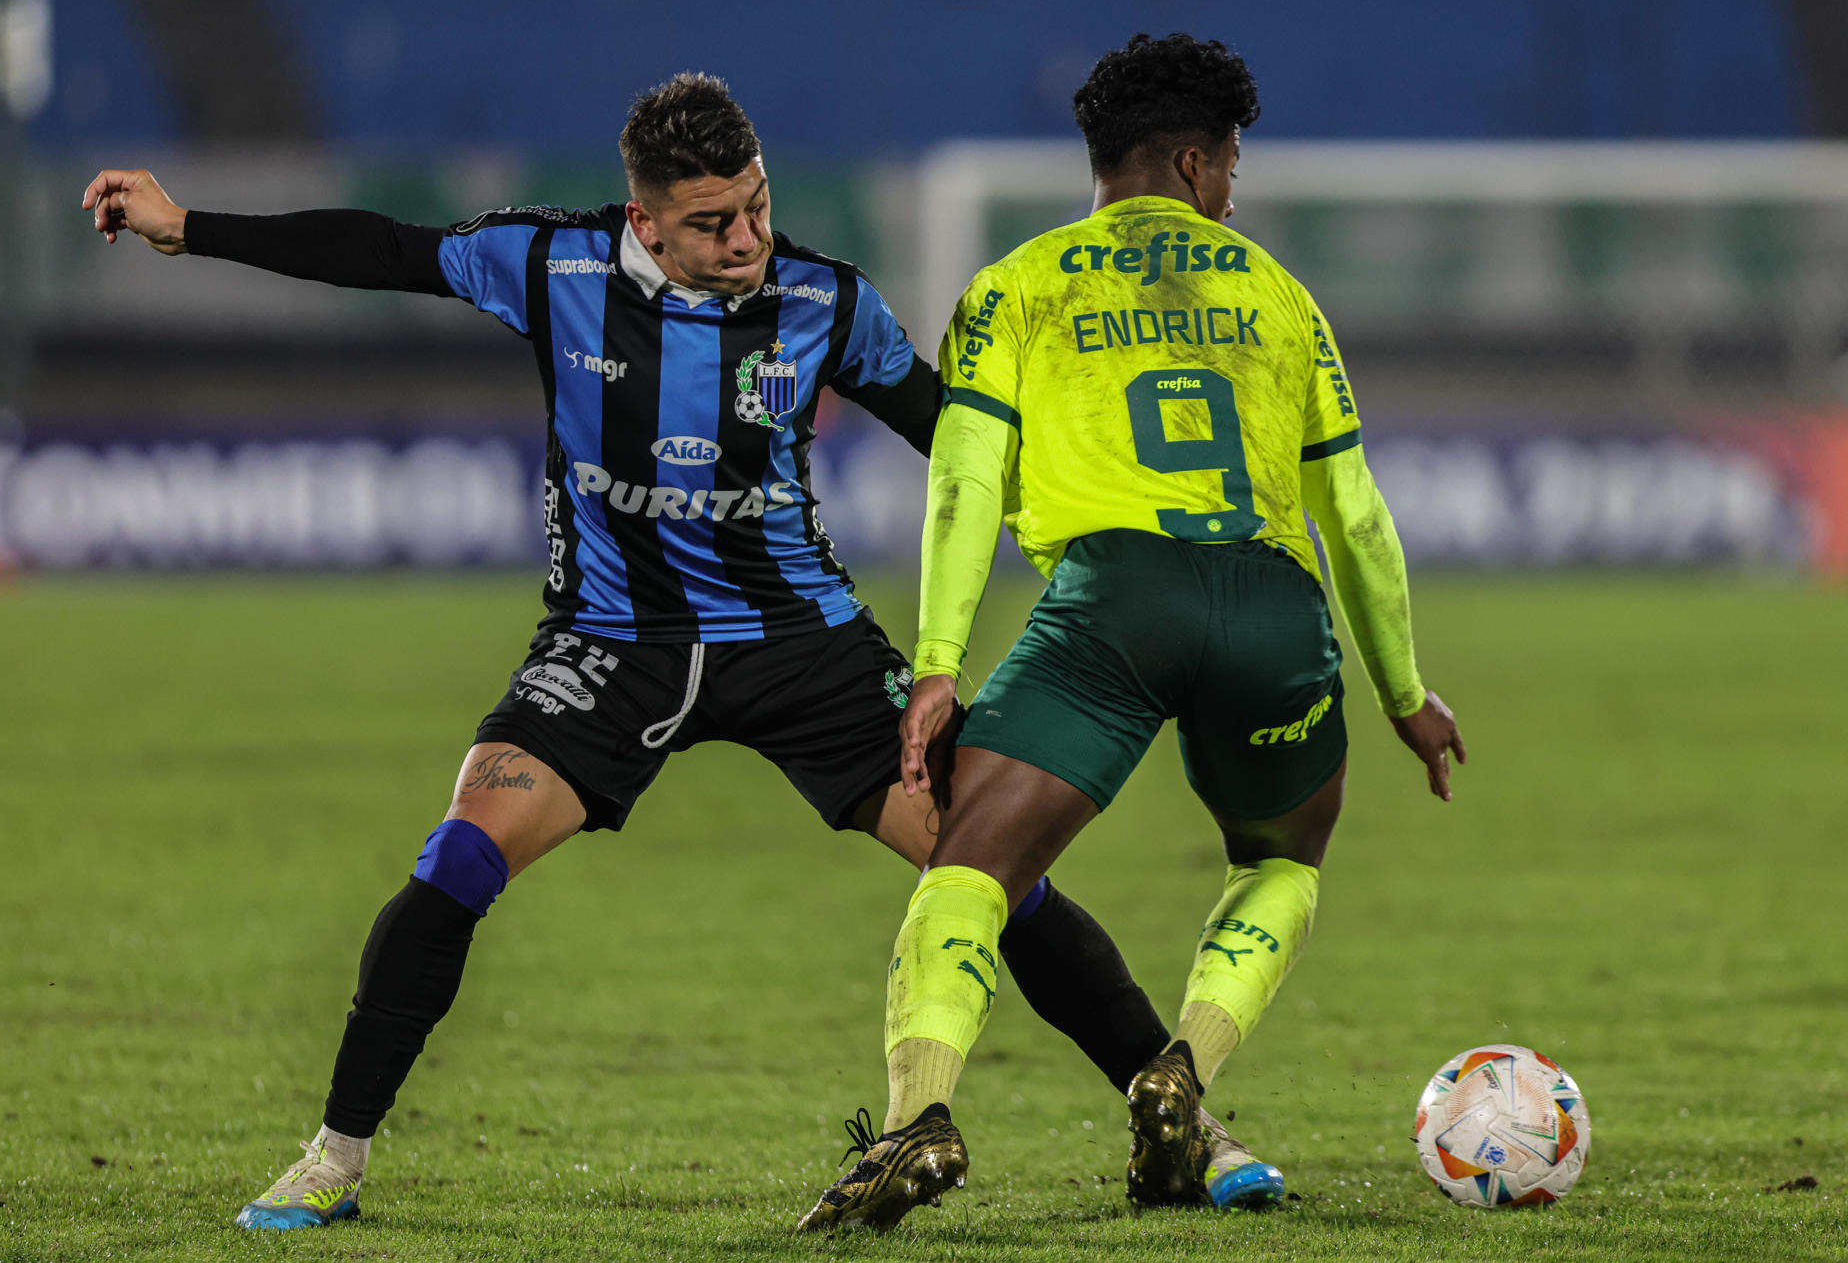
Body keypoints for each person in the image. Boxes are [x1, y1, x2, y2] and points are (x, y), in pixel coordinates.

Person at [81, 73, 1175, 1232]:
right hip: (611, 643)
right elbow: (383, 251)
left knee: (994, 871)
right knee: (454, 863)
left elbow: (954, 436)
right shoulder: (552, 267)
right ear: (644, 220)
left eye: (756, 206)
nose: (748, 238)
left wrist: (1118, 512)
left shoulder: (826, 301)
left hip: (802, 643)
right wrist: (188, 227)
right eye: (712, 223)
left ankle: (1185, 1122)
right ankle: (334, 1158)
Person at [796, 34, 1467, 1233]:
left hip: (1113, 604)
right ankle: (1182, 1072)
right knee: (1279, 860)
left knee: (967, 870)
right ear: (1194, 161)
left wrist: (939, 663)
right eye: (1232, 165)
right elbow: (1356, 518)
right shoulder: (1277, 294)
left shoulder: (1016, 286)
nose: (1232, 189)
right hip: (1271, 603)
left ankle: (919, 1117)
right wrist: (1407, 695)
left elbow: (961, 484)